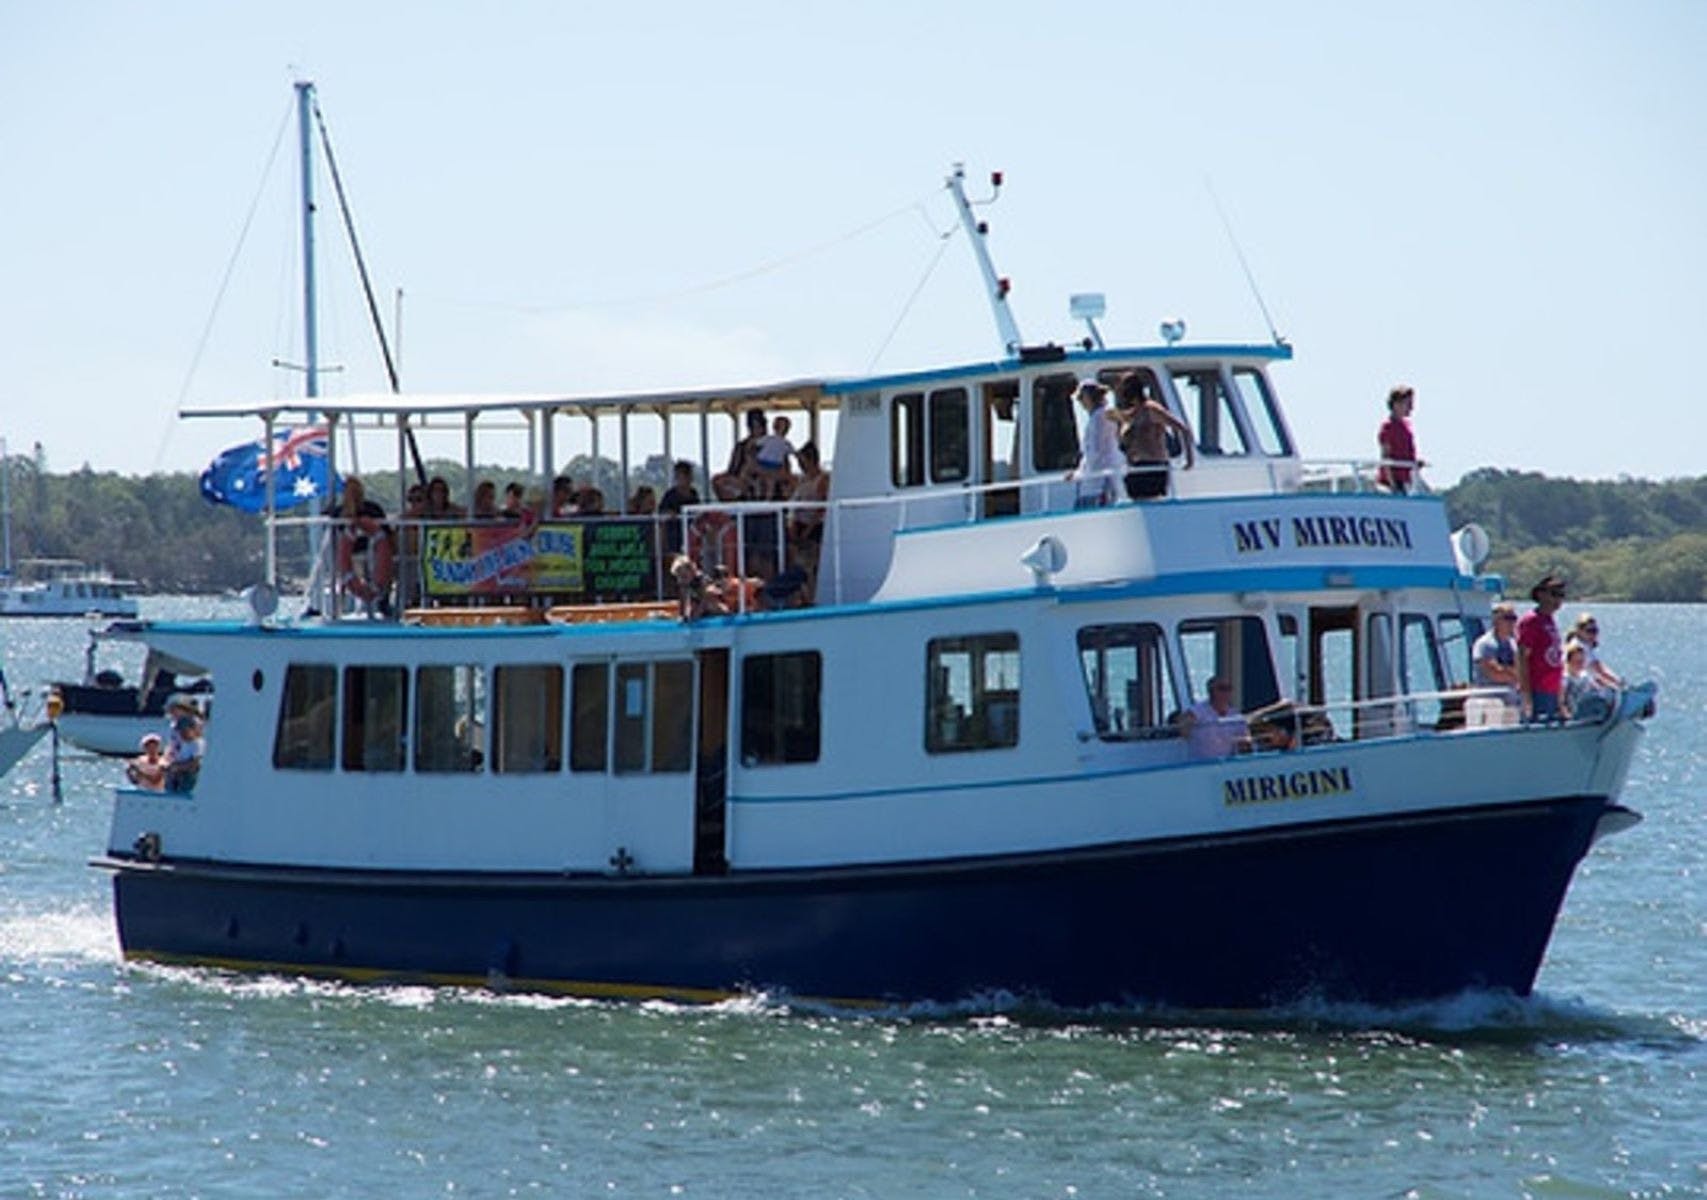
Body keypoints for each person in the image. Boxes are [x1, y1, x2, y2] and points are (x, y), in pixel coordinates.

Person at [1116, 370, 1195, 499]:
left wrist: (1189, 460)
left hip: (1154, 466)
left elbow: (1183, 429)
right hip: (1138, 466)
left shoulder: (1151, 410)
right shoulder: (1132, 415)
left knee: (1150, 499)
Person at [331, 476, 395, 614]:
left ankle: (382, 601)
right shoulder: (338, 513)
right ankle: (340, 607)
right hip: (350, 555)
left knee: (380, 567)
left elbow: (385, 534)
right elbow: (338, 536)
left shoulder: (372, 509)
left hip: (372, 552)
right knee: (347, 568)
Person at [1516, 573, 1567, 721]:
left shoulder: (1549, 621)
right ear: (1541, 594)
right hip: (1537, 691)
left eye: (1561, 596)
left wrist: (1560, 699)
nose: (1557, 600)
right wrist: (1526, 695)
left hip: (1552, 690)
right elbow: (1522, 658)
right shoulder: (1531, 621)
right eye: (1554, 594)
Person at [1067, 378, 1124, 507]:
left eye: (1081, 398)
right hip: (1099, 479)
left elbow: (1095, 453)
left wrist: (1079, 474)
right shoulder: (1101, 415)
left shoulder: (1099, 418)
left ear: (1088, 398)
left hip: (1099, 482)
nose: (1080, 402)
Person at [1179, 677, 1251, 758]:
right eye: (1222, 688)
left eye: (1229, 688)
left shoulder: (1235, 715)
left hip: (1226, 762)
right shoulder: (1199, 710)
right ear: (1211, 691)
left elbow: (1245, 741)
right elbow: (1184, 722)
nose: (1226, 692)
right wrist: (1186, 726)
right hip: (1200, 763)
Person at [1376, 385, 1424, 493]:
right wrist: (1393, 485)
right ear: (1396, 404)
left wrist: (1415, 463)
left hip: (1405, 481)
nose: (1411, 408)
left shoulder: (1406, 427)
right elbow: (1385, 457)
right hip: (1390, 484)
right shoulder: (1388, 427)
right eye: (1408, 404)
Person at [1472, 603, 1522, 705]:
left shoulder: (1513, 644)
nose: (1512, 622)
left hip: (1511, 700)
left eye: (1514, 618)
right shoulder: (1485, 643)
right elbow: (1495, 673)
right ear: (1496, 620)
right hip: (1489, 702)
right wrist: (1514, 674)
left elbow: (1521, 670)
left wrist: (1511, 671)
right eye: (1507, 618)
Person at [1570, 612, 1624, 690]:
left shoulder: (1586, 646)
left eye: (1595, 631)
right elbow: (1599, 669)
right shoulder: (1578, 647)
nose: (1593, 634)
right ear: (1579, 631)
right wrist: (1618, 682)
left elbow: (1596, 671)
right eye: (1589, 631)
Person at [163, 697, 205, 793]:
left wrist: (178, 767)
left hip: (187, 775)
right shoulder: (174, 729)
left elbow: (196, 764)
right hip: (174, 770)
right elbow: (171, 747)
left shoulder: (197, 743)